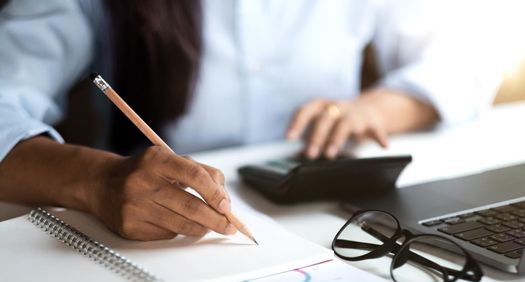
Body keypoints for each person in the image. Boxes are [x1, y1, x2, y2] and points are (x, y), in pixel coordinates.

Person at [0, 0, 500, 241]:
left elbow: (467, 55)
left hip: (332, 205)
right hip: (161, 228)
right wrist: (99, 179)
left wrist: (373, 108)